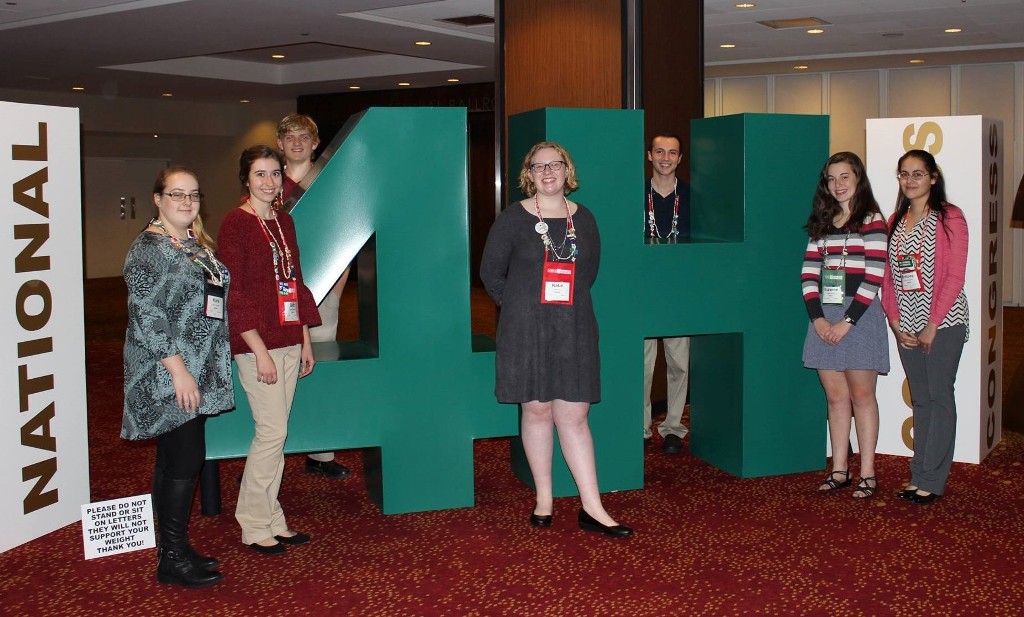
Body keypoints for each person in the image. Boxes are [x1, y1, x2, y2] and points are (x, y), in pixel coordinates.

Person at [480, 141, 632, 539]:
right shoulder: (512, 219)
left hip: (574, 326)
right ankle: (544, 498)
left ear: (567, 170)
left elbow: (589, 273)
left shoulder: (586, 219)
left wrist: (559, 308)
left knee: (575, 415)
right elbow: (490, 272)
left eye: (555, 164)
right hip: (525, 330)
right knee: (536, 411)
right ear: (528, 174)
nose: (547, 172)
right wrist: (519, 306)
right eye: (538, 166)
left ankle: (592, 506)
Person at [122, 166, 233, 588]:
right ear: (158, 199)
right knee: (185, 458)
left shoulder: (189, 243)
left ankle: (174, 549)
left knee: (173, 460)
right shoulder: (148, 250)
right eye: (177, 194)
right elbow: (148, 317)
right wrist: (180, 372)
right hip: (169, 372)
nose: (187, 202)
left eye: (193, 194)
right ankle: (171, 556)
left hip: (197, 367)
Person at [218, 145, 322, 553]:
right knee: (271, 433)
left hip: (289, 338)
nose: (269, 181)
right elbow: (234, 293)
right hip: (255, 344)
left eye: (275, 173)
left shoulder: (284, 222)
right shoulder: (235, 223)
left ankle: (272, 518)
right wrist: (259, 351)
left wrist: (305, 337)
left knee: (277, 436)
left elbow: (294, 281)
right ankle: (254, 523)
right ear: (246, 179)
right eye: (260, 174)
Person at [881, 149, 969, 505]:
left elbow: (955, 276)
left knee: (939, 396)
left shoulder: (950, 217)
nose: (910, 180)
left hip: (944, 322)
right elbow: (888, 277)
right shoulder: (895, 220)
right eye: (904, 174)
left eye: (918, 173)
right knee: (920, 399)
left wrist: (933, 324)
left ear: (933, 177)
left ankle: (932, 479)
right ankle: (918, 475)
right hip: (906, 324)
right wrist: (893, 320)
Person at [800, 152, 889, 499]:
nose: (837, 185)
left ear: (858, 179)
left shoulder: (872, 219)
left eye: (844, 177)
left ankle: (867, 472)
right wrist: (819, 319)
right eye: (831, 178)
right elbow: (809, 274)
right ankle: (839, 470)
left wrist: (847, 322)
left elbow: (874, 276)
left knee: (862, 396)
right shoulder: (822, 221)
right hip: (825, 316)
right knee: (836, 398)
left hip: (860, 317)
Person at [276, 112, 352, 479]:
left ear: (315, 143)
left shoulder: (328, 182)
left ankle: (322, 454)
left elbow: (345, 239)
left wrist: (334, 293)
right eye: (289, 137)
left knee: (320, 372)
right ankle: (268, 458)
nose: (297, 142)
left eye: (303, 136)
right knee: (275, 374)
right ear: (280, 144)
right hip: (278, 297)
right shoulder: (267, 182)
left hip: (320, 294)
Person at [642, 133, 692, 454]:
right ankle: (641, 428)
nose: (665, 158)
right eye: (659, 151)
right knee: (642, 366)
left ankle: (673, 428)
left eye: (672, 153)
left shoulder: (690, 197)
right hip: (643, 291)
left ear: (680, 158)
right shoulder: (635, 193)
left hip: (679, 292)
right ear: (650, 155)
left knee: (679, 364)